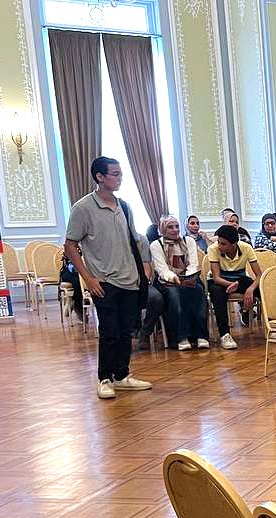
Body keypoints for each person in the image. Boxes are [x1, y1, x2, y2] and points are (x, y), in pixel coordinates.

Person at [64, 156, 154, 400]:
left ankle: (122, 375)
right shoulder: (82, 208)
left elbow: (134, 239)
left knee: (127, 330)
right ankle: (104, 378)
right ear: (99, 177)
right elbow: (70, 245)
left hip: (130, 278)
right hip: (103, 280)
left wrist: (143, 270)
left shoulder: (124, 206)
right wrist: (88, 278)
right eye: (115, 174)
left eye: (120, 174)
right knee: (110, 331)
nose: (119, 178)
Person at [150, 216, 209, 351]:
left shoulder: (188, 241)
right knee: (174, 295)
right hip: (167, 281)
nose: (175, 230)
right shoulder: (156, 245)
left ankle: (200, 335)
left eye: (177, 226)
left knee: (198, 291)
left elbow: (193, 264)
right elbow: (162, 269)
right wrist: (174, 278)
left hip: (188, 277)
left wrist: (188, 277)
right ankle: (181, 337)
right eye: (170, 227)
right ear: (162, 229)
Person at [206, 223, 263, 350]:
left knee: (262, 289)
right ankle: (225, 334)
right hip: (220, 281)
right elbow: (216, 278)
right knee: (217, 293)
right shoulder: (213, 249)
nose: (219, 246)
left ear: (234, 244)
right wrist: (233, 285)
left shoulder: (246, 248)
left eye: (223, 244)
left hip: (239, 278)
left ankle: (273, 328)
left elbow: (259, 275)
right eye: (219, 242)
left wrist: (250, 289)